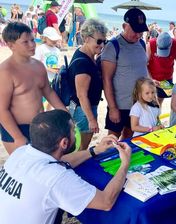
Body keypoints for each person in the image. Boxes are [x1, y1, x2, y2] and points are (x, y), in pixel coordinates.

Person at [0, 109, 131, 224]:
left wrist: (95, 150)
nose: (75, 133)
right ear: (64, 142)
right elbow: (105, 202)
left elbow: (61, 161)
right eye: (73, 130)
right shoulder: (55, 177)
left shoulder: (21, 152)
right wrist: (125, 164)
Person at [0, 22, 66, 155]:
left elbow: (48, 91)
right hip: (16, 128)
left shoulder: (38, 66)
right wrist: (18, 137)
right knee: (24, 170)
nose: (32, 44)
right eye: (25, 42)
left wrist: (64, 113)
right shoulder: (6, 71)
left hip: (40, 126)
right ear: (10, 45)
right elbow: (2, 109)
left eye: (32, 40)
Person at [101, 8, 149, 140]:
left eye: (141, 31)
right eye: (135, 30)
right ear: (124, 26)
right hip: (120, 105)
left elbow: (142, 67)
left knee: (129, 136)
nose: (138, 35)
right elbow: (106, 79)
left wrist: (151, 81)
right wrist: (112, 108)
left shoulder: (142, 44)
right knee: (112, 141)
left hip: (139, 104)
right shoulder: (113, 46)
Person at [68, 19, 107, 151]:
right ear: (86, 38)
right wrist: (91, 119)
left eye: (104, 41)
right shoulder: (83, 63)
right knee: (81, 148)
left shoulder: (87, 55)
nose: (102, 45)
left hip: (82, 109)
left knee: (79, 147)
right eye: (99, 41)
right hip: (83, 111)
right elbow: (81, 95)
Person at [147, 32, 176, 105]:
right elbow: (144, 64)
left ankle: (157, 115)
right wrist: (150, 79)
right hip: (151, 77)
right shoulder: (150, 44)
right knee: (149, 100)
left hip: (167, 79)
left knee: (159, 101)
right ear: (157, 44)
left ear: (170, 45)